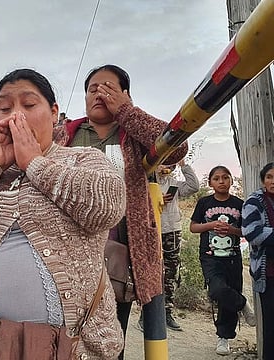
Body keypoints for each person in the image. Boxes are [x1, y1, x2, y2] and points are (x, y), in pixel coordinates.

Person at [0, 69, 126, 360]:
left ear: (54, 113)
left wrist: (36, 164)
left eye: (29, 105)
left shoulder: (83, 159)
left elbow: (106, 206)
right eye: (4, 108)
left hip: (66, 344)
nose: (16, 116)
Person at [59, 64, 188, 359]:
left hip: (115, 254)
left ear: (126, 95)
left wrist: (127, 112)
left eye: (109, 88)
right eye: (93, 89)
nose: (99, 94)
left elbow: (177, 146)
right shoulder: (65, 133)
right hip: (64, 251)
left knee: (108, 337)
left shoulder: (133, 134)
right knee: (63, 336)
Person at [190, 165, 255, 356]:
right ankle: (243, 304)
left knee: (228, 298)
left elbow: (246, 231)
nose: (221, 181)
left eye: (225, 178)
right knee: (218, 289)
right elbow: (193, 227)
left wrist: (232, 231)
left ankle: (224, 338)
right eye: (216, 178)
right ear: (210, 182)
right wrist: (210, 225)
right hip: (210, 257)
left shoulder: (240, 204)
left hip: (233, 258)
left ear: (231, 181)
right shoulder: (204, 203)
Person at [138, 158, 199, 331]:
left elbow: (194, 186)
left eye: (170, 165)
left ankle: (167, 312)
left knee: (170, 272)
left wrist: (183, 164)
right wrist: (155, 199)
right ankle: (146, 314)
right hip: (151, 230)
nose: (166, 167)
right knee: (151, 272)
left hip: (171, 230)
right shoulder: (145, 182)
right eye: (163, 163)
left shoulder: (174, 184)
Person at [242, 162, 274, 360]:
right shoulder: (254, 202)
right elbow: (252, 233)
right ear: (263, 180)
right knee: (271, 328)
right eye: (270, 176)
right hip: (268, 274)